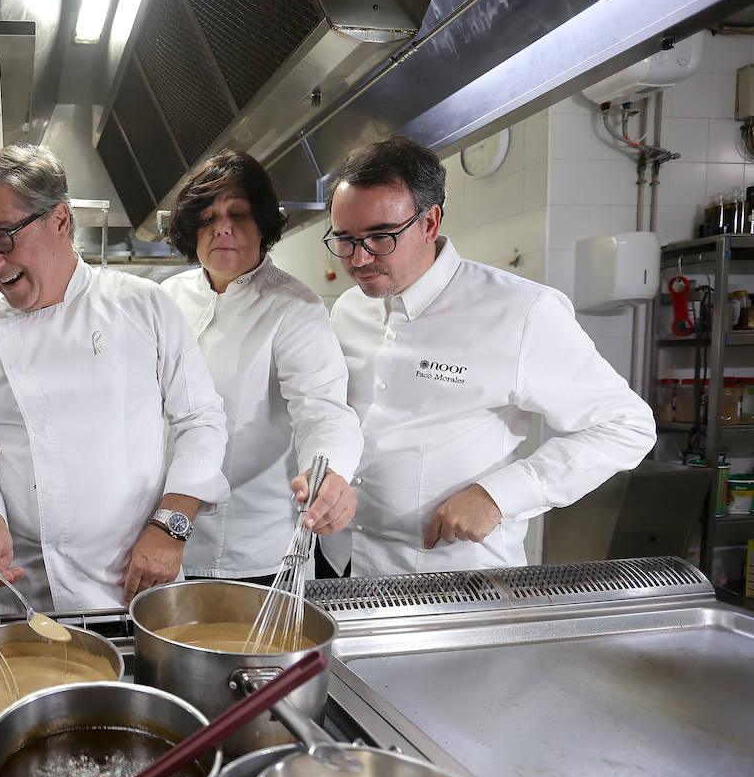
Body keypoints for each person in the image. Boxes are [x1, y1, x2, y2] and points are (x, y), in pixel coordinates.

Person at [319, 136, 656, 577]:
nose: (359, 259)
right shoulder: (349, 308)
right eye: (345, 239)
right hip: (341, 560)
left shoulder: (521, 311)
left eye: (380, 237)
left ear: (429, 222)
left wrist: (499, 496)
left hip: (450, 574)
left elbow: (626, 425)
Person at [0, 144, 230, 612]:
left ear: (59, 221)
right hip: (23, 587)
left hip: (135, 579)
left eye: (2, 237)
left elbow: (200, 420)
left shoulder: (142, 306)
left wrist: (172, 526)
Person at [161, 150, 362, 584]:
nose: (222, 228)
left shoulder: (293, 306)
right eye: (207, 218)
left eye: (238, 214)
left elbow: (322, 410)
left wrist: (328, 473)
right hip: (161, 537)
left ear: (264, 224)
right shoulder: (166, 298)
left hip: (255, 551)